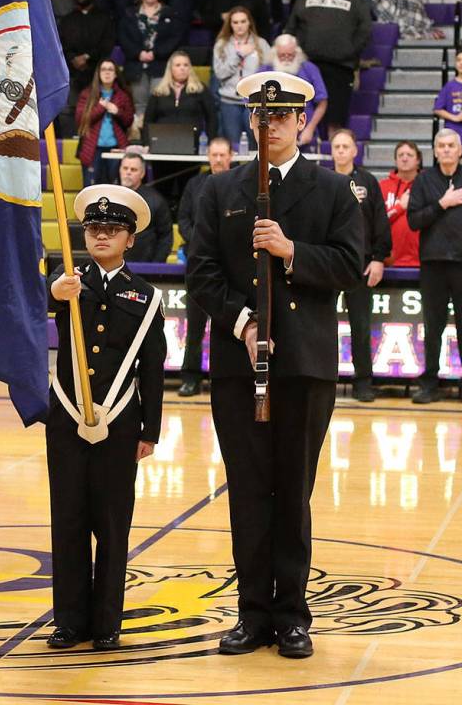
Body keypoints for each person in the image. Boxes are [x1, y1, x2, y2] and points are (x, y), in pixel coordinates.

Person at [186, 72, 363, 659]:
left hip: (304, 366)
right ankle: (252, 613)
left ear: (301, 121)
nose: (271, 126)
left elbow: (348, 266)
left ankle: (293, 616)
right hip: (240, 368)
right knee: (248, 491)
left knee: (293, 491)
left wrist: (292, 252)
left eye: (282, 116)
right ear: (251, 122)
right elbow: (202, 273)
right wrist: (242, 323)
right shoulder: (221, 191)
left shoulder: (332, 190)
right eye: (261, 117)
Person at [45, 184, 166, 651]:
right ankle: (69, 620)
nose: (101, 237)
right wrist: (53, 292)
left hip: (119, 425)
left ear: (129, 238)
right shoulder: (69, 282)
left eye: (111, 230)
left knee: (113, 525)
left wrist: (149, 430)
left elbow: (152, 367)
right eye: (94, 229)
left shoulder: (145, 297)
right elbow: (35, 305)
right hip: (68, 422)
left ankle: (107, 622)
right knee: (68, 521)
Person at [408, 129, 462, 406]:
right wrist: (442, 204)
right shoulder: (424, 181)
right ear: (435, 151)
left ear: (460, 151)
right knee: (432, 326)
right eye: (441, 146)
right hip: (433, 264)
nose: (446, 150)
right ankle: (429, 384)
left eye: (451, 146)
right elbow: (414, 220)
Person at [329, 129, 392, 403]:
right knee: (321, 325)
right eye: (337, 146)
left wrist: (378, 257)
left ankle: (363, 381)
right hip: (327, 264)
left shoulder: (367, 182)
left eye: (346, 146)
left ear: (356, 151)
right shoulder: (321, 180)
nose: (341, 151)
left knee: (361, 326)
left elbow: (380, 222)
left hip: (360, 264)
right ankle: (324, 379)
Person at [284, 0, 371, 132]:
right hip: (309, 66)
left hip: (340, 67)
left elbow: (365, 28)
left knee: (335, 121)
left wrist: (350, 51)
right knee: (304, 119)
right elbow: (292, 26)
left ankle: (334, 156)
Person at [176, 136, 233, 396]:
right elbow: (184, 219)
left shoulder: (238, 183)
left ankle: (227, 376)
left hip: (229, 263)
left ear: (231, 156)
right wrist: (201, 242)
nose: (218, 159)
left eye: (223, 155)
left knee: (230, 323)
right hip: (199, 262)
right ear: (208, 156)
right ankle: (191, 376)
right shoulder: (194, 184)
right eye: (214, 155)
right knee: (195, 325)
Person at [117, 0, 187, 120]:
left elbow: (175, 39)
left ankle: (157, 138)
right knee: (140, 105)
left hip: (161, 67)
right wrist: (138, 53)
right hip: (136, 67)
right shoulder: (129, 14)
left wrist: (156, 53)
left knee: (160, 105)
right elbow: (123, 38)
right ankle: (142, 138)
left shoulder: (170, 13)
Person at [213, 7, 270, 150]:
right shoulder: (222, 44)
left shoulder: (261, 44)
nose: (239, 25)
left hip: (254, 102)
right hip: (229, 101)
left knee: (255, 145)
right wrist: (238, 55)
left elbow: (269, 73)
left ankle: (255, 173)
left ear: (249, 22)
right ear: (230, 24)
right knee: (233, 146)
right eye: (235, 22)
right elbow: (220, 73)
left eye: (243, 21)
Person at [75, 60, 135, 185]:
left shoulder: (123, 95)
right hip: (92, 148)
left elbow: (129, 121)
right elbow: (80, 119)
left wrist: (117, 111)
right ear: (98, 74)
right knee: (91, 188)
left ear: (116, 74)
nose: (107, 72)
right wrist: (102, 108)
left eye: (110, 69)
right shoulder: (87, 94)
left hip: (116, 148)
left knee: (115, 188)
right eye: (103, 69)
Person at [264, 35, 328, 147]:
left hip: (304, 131)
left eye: (290, 55)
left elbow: (322, 102)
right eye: (282, 55)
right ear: (275, 54)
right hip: (273, 132)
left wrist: (310, 128)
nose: (286, 58)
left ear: (297, 53)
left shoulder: (309, 69)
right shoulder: (265, 71)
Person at [58, 0, 115, 100]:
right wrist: (73, 58)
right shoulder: (67, 20)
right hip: (71, 73)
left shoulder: (104, 18)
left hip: (95, 73)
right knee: (69, 111)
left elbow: (107, 43)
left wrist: (87, 57)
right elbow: (60, 44)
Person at [144, 51, 217, 140]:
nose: (182, 68)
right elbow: (148, 120)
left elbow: (212, 118)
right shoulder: (159, 91)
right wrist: (147, 142)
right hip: (162, 139)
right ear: (170, 69)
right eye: (178, 65)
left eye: (186, 65)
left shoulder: (200, 89)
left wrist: (210, 142)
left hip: (193, 140)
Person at [119, 150, 173, 264]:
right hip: (113, 265)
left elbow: (166, 236)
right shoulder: (110, 196)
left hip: (145, 266)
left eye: (133, 170)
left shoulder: (156, 200)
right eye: (125, 168)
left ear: (142, 174)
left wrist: (155, 266)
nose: (128, 172)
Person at [380, 141, 422, 267]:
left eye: (409, 155)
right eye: (400, 155)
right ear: (395, 160)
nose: (404, 158)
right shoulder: (382, 186)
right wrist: (399, 207)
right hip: (388, 260)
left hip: (422, 261)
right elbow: (377, 223)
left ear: (418, 160)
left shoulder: (427, 185)